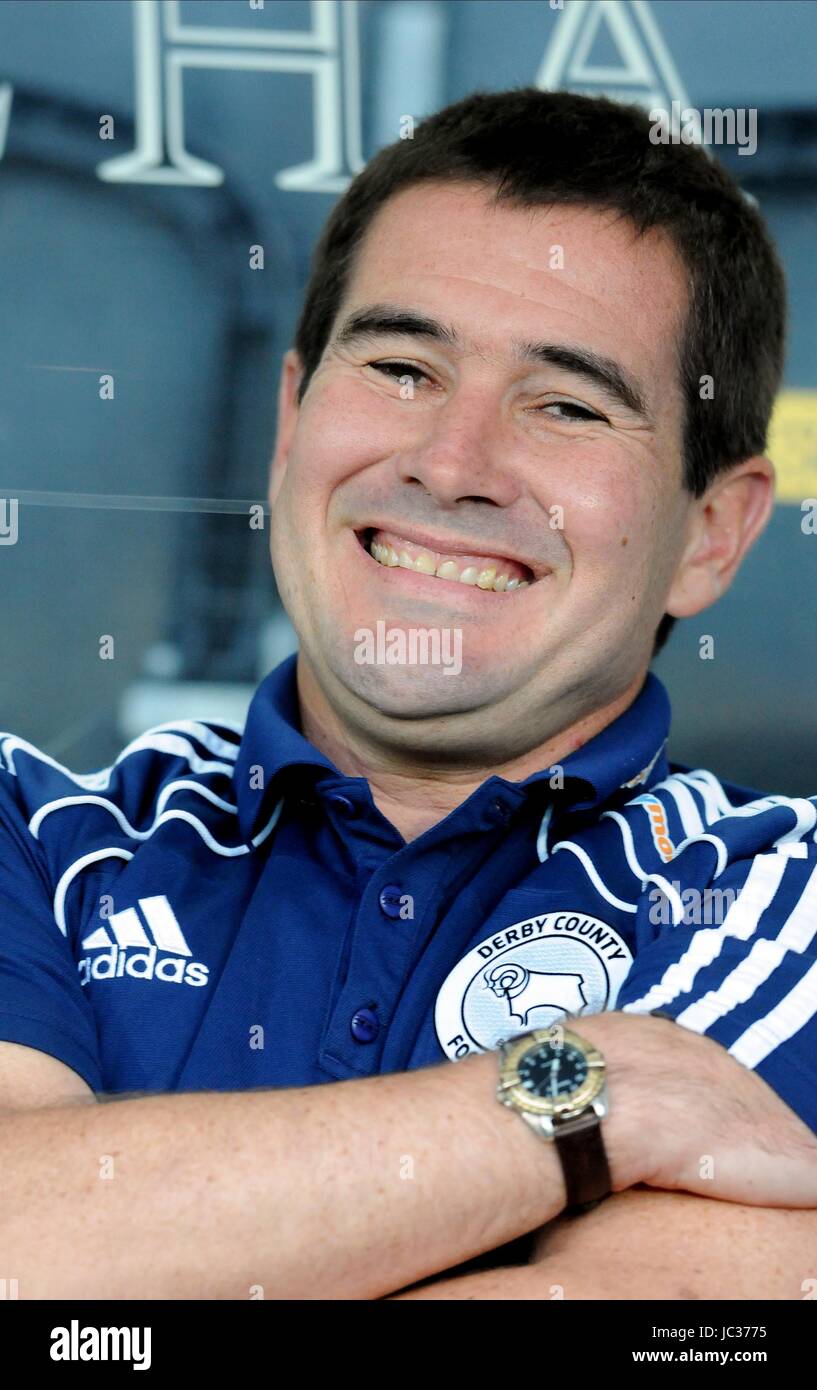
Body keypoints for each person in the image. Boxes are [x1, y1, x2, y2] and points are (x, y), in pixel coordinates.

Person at [1, 89, 815, 1301]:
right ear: (289, 421)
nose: (450, 462)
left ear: (711, 530)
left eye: (567, 405)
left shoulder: (779, 910)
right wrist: (599, 1092)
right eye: (399, 366)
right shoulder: (33, 834)